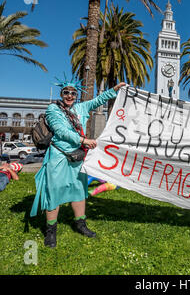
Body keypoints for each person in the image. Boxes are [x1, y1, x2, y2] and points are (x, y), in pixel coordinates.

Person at [30, 76, 126, 248]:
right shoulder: (53, 109)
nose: (70, 96)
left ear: (76, 95)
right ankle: (51, 232)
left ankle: (81, 225)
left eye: (73, 93)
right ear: (61, 93)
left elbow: (99, 100)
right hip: (59, 157)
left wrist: (115, 89)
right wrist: (83, 140)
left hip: (78, 157)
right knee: (54, 192)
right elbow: (61, 131)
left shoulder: (82, 107)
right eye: (66, 92)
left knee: (79, 191)